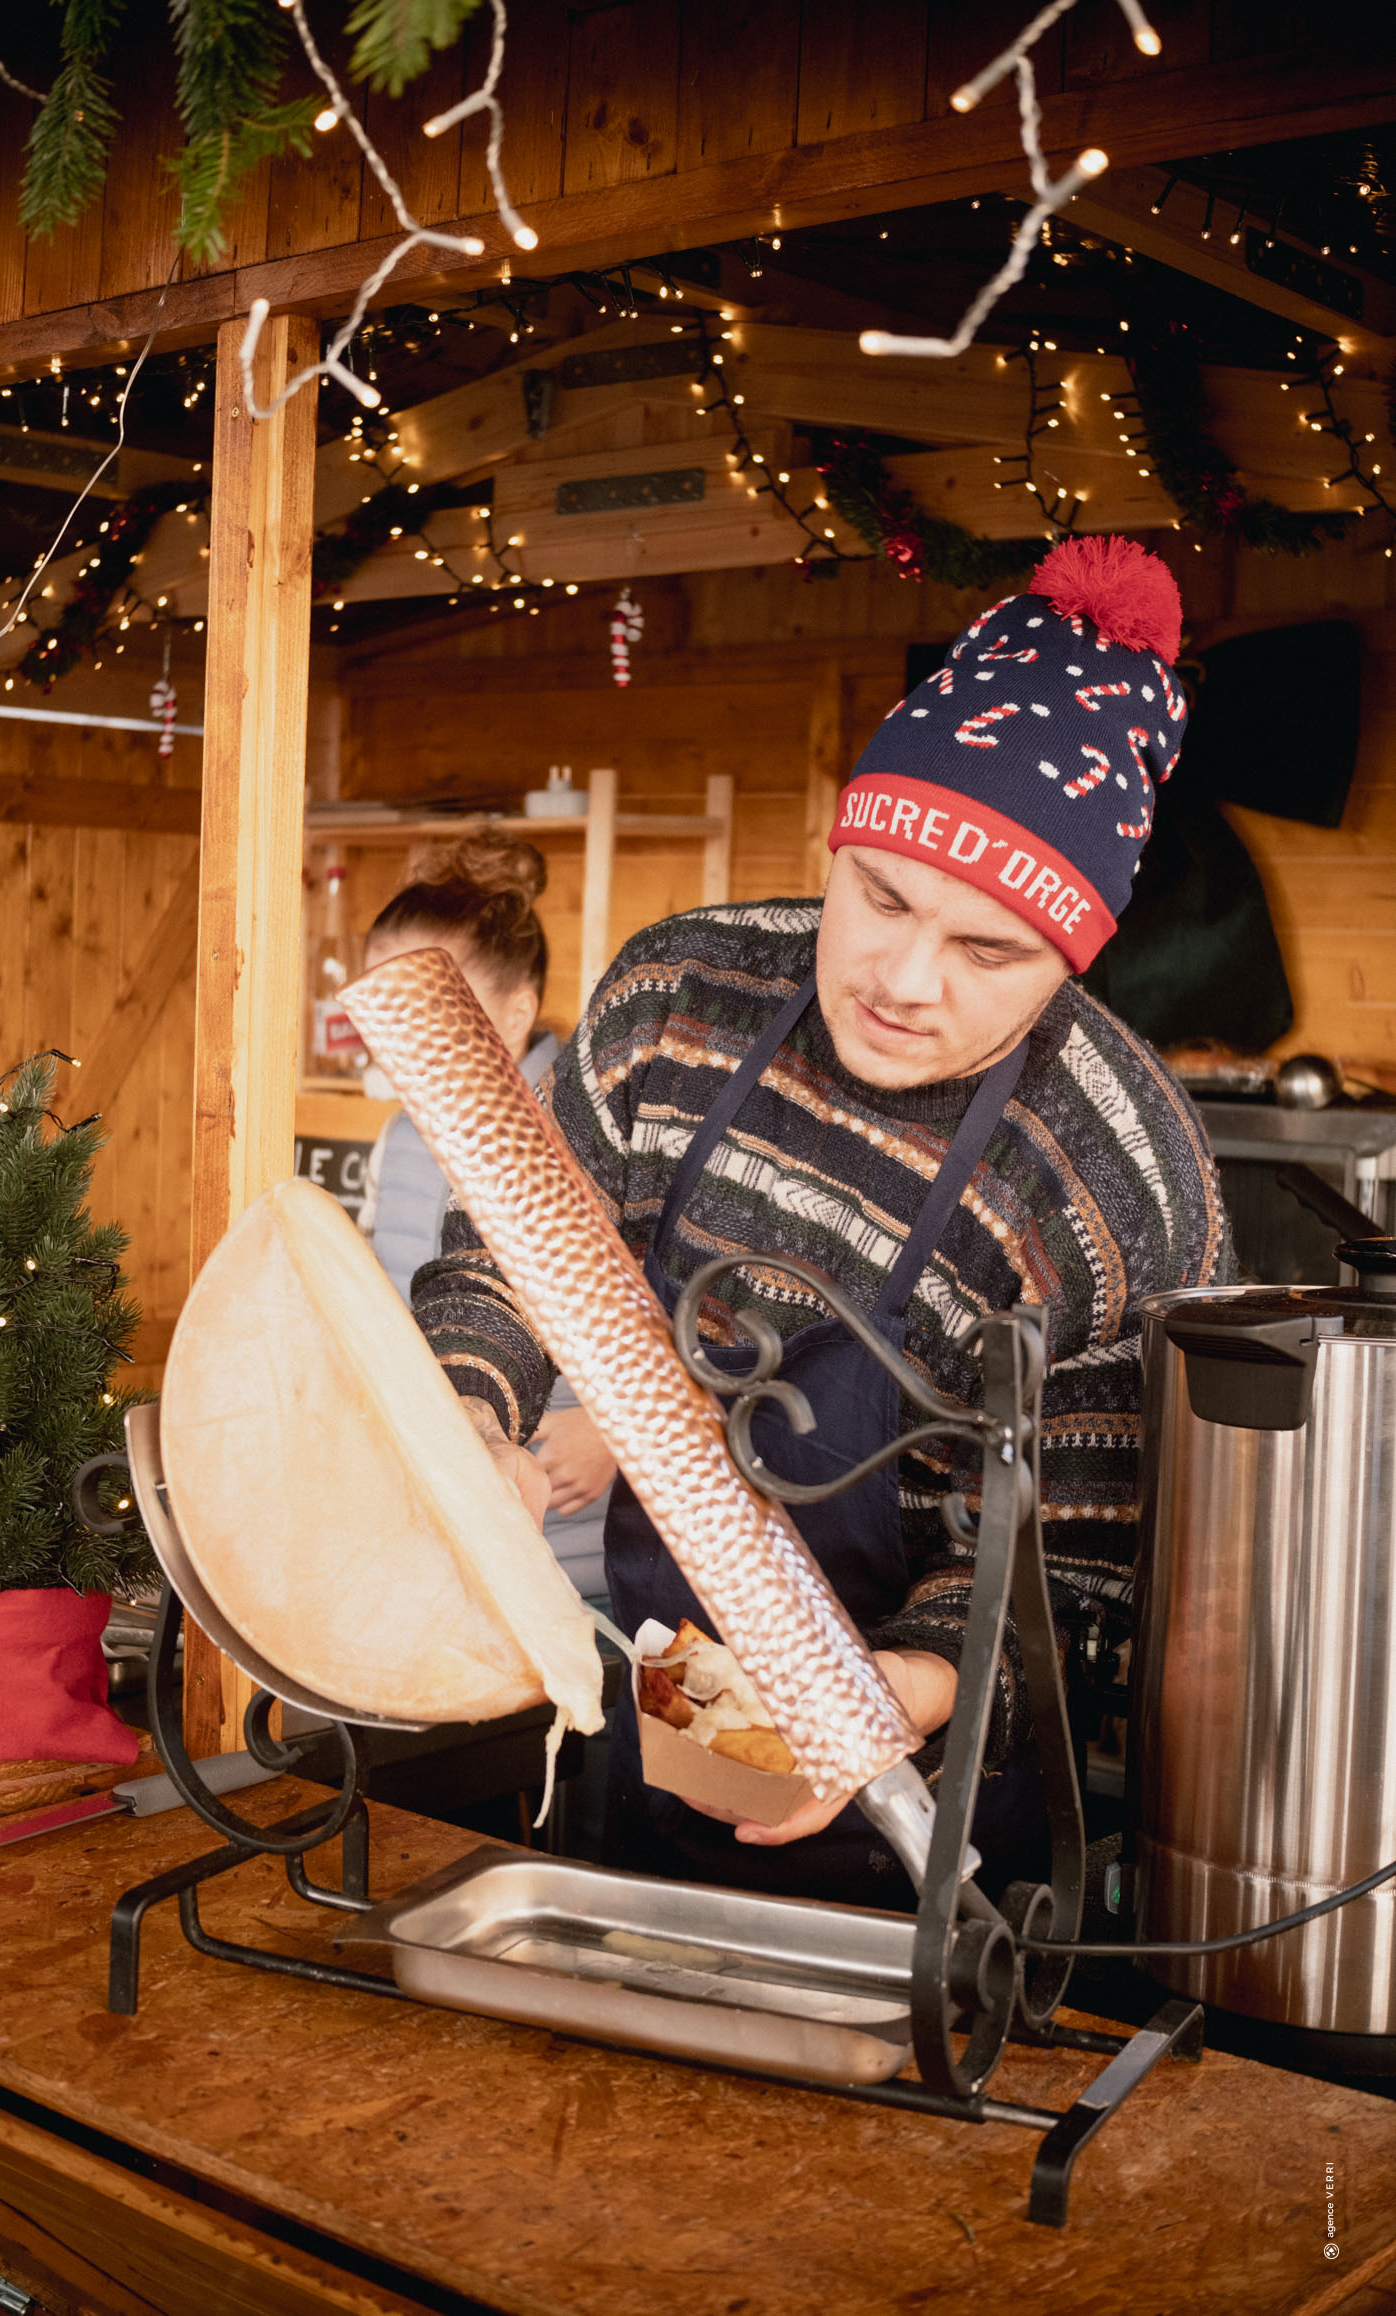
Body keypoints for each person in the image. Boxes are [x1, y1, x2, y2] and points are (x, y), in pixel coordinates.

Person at [413, 536, 1234, 1909]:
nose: (903, 979)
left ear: (1079, 950)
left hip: (936, 1794)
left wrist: (895, 1692)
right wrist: (471, 1425)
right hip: (667, 1693)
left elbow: (1085, 1577)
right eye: (883, 898)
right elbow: (509, 1253)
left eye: (987, 951)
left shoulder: (1116, 1179)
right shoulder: (679, 998)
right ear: (842, 838)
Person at [357, 834, 617, 1599]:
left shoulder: (597, 1140)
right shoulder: (398, 1138)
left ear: (515, 1011)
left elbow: (699, 1331)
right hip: (433, 1531)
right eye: (377, 998)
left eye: (422, 1003)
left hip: (577, 1557)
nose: (387, 1029)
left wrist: (613, 1439)